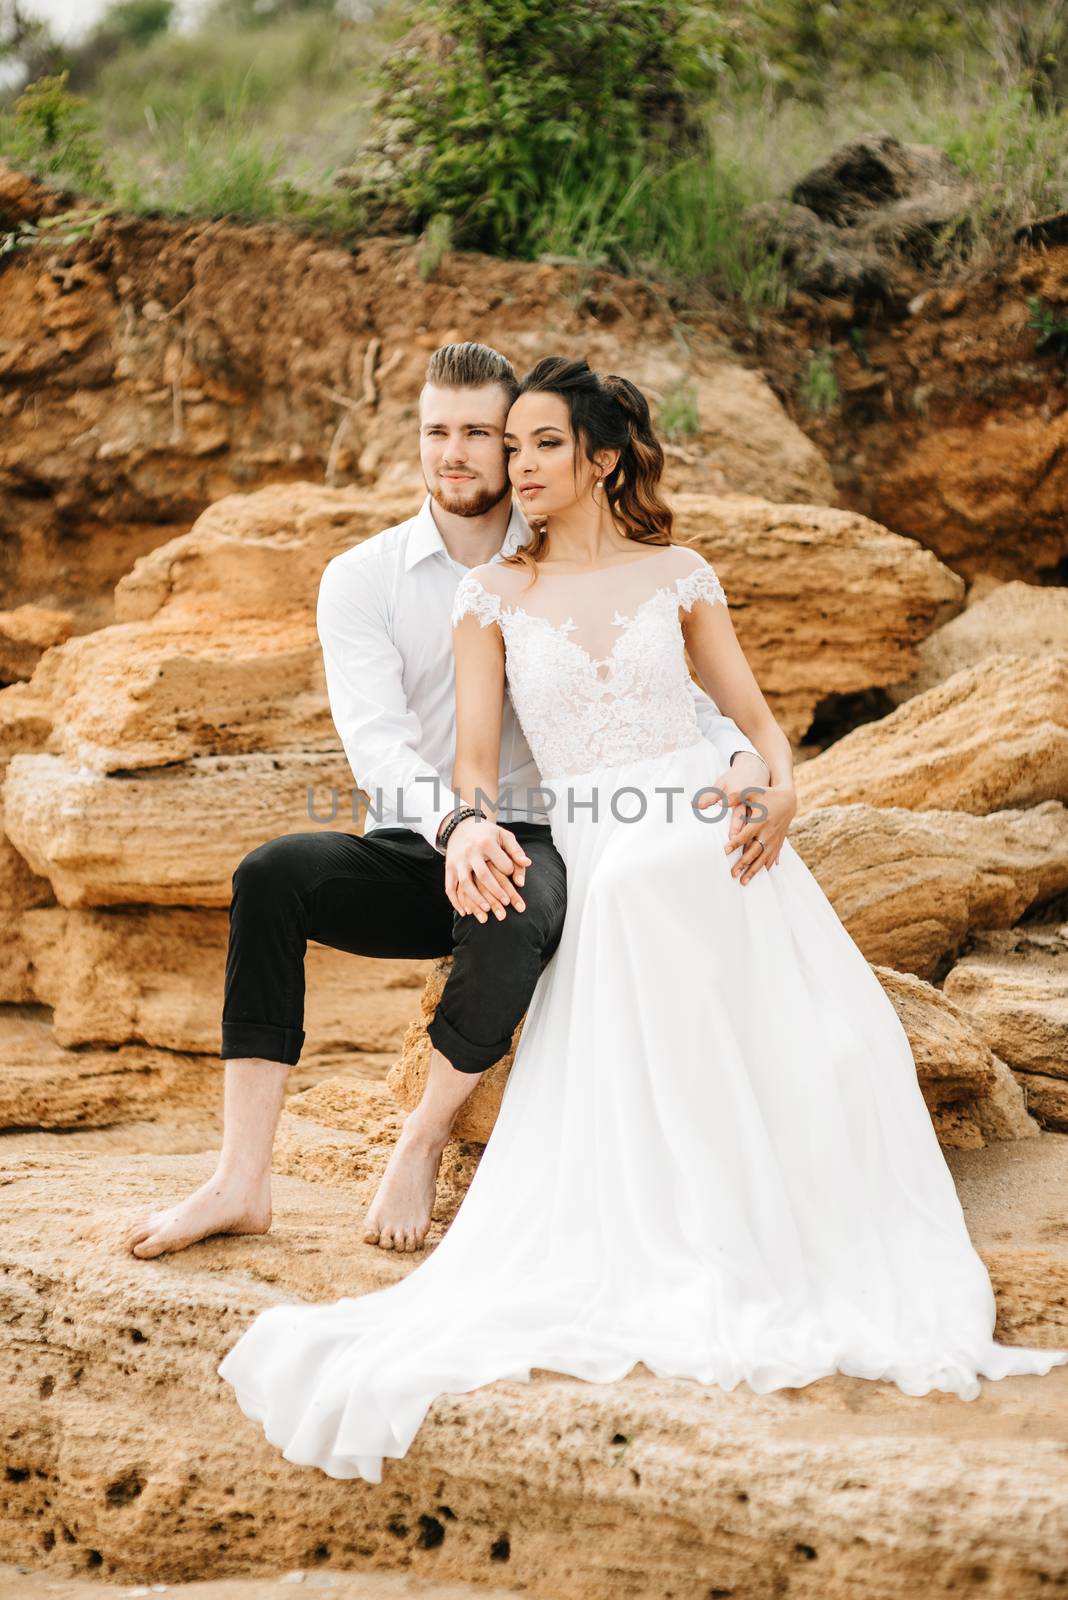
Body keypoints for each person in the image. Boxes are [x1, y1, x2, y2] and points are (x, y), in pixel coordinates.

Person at [216, 356, 1068, 1482]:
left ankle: (773, 1196)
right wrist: (471, 828)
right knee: (621, 885)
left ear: (602, 458)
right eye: (500, 445)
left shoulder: (681, 572)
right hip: (592, 831)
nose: (513, 465)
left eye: (537, 445)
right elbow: (471, 762)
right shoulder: (491, 598)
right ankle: (296, 1164)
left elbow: (755, 723)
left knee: (687, 869)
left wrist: (779, 789)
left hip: (707, 807)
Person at [121, 341, 767, 1261]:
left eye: (480, 433)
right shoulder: (362, 577)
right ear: (416, 440)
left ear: (515, 446)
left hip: (546, 836)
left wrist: (745, 757)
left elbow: (665, 690)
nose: (455, 452)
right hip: (422, 838)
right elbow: (377, 744)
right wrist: (456, 825)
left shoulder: (557, 561)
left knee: (512, 903)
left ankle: (422, 1137)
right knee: (272, 875)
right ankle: (240, 1179)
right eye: (436, 432)